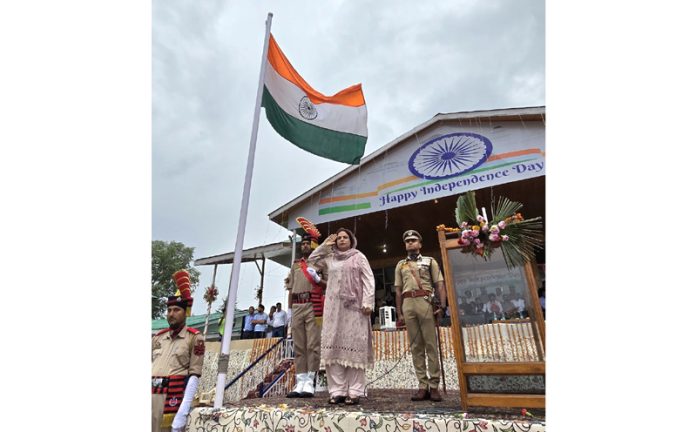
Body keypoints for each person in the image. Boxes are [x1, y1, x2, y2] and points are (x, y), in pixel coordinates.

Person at [308, 228, 375, 405]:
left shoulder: (358, 256)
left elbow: (369, 279)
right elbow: (311, 261)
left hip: (355, 308)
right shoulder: (330, 258)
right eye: (339, 238)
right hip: (333, 308)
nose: (342, 240)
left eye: (345, 237)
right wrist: (324, 246)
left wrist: (368, 302)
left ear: (351, 240)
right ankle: (337, 391)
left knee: (354, 347)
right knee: (333, 349)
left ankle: (354, 391)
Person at [394, 229, 447, 402]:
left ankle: (434, 386)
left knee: (430, 344)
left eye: (414, 240)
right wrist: (399, 312)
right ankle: (422, 386)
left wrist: (443, 305)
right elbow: (398, 290)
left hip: (425, 301)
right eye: (407, 240)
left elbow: (440, 284)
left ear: (420, 244)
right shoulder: (400, 264)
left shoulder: (430, 261)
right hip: (408, 303)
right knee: (416, 346)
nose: (410, 242)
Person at [152, 270, 204, 432]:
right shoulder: (158, 337)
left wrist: (183, 410)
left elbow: (194, 374)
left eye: (176, 310)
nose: (171, 314)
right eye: (169, 310)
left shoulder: (194, 338)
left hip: (172, 398)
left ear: (185, 313)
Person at [285, 233, 325, 398]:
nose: (305, 246)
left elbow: (328, 284)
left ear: (314, 246)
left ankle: (310, 380)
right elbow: (290, 288)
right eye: (303, 244)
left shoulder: (320, 264)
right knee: (299, 345)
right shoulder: (295, 265)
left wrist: (317, 279)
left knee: (312, 345)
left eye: (308, 243)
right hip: (297, 305)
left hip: (312, 305)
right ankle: (300, 380)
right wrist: (289, 310)